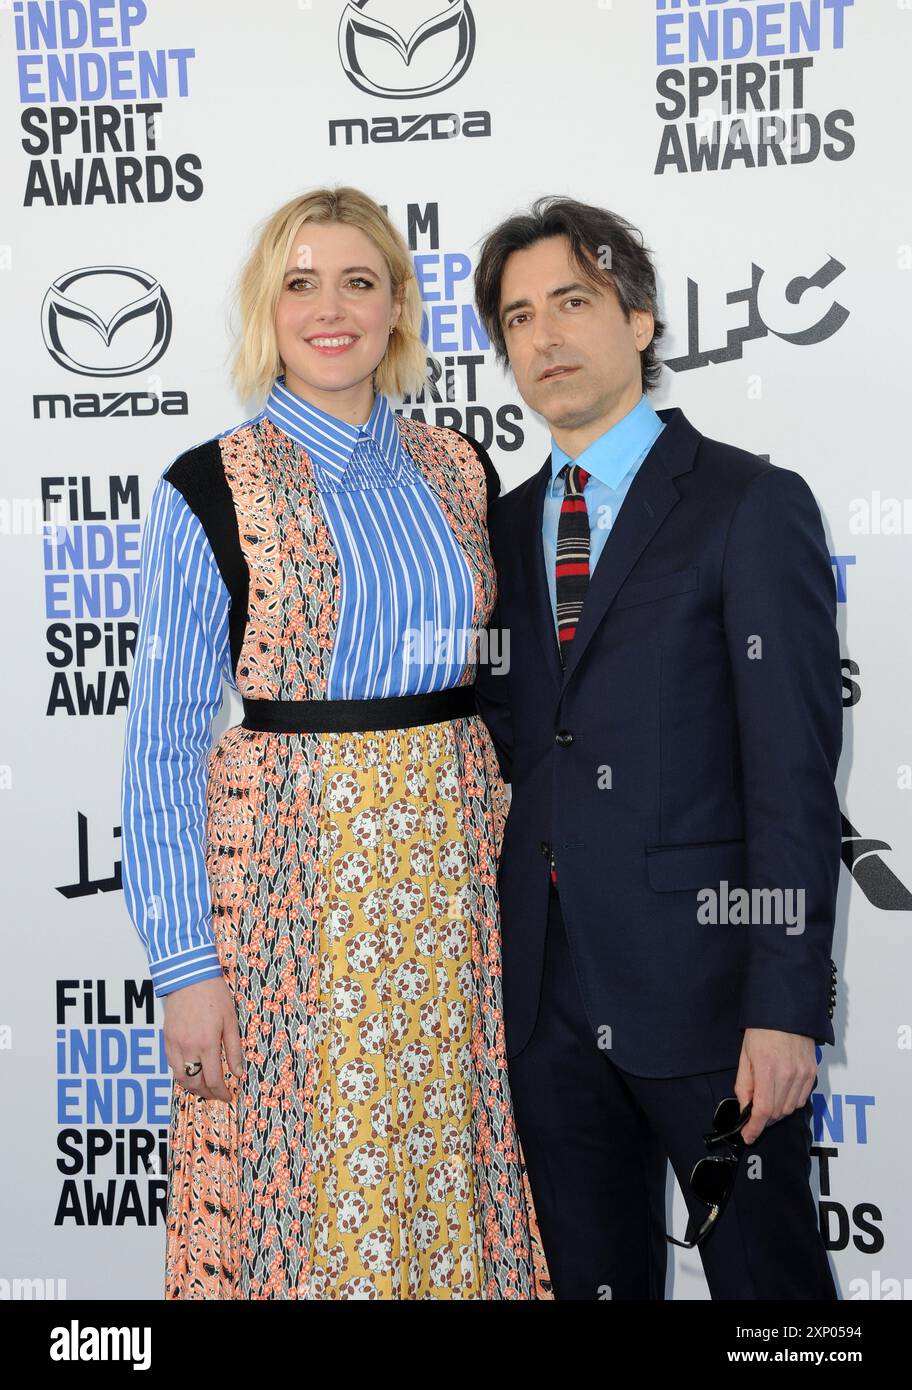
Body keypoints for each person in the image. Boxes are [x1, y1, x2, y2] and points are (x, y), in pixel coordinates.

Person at [120, 185, 549, 1300]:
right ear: (268, 307)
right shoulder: (208, 485)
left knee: (452, 1166)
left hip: (454, 888)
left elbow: (505, 687)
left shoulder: (460, 468)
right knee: (302, 1195)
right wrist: (185, 966)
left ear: (398, 306)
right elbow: (162, 750)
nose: (331, 307)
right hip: (286, 892)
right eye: (300, 281)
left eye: (359, 280)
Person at [472, 195, 842, 1300]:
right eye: (519, 317)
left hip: (712, 1001)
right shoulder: (493, 531)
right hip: (544, 1005)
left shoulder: (749, 503)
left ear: (637, 319)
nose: (546, 337)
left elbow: (792, 775)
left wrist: (785, 1002)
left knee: (770, 1293)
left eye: (573, 302)